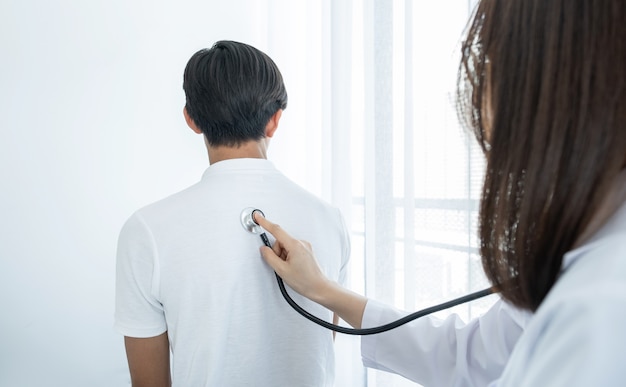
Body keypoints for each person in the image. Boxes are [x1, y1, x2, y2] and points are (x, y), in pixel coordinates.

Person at [254, 0, 626, 386]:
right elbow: (466, 356)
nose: (481, 93)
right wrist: (323, 289)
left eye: (489, 57)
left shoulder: (602, 308)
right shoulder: (586, 252)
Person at [114, 40, 350, 387]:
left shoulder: (146, 230)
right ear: (274, 121)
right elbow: (317, 350)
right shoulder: (330, 220)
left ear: (191, 119)